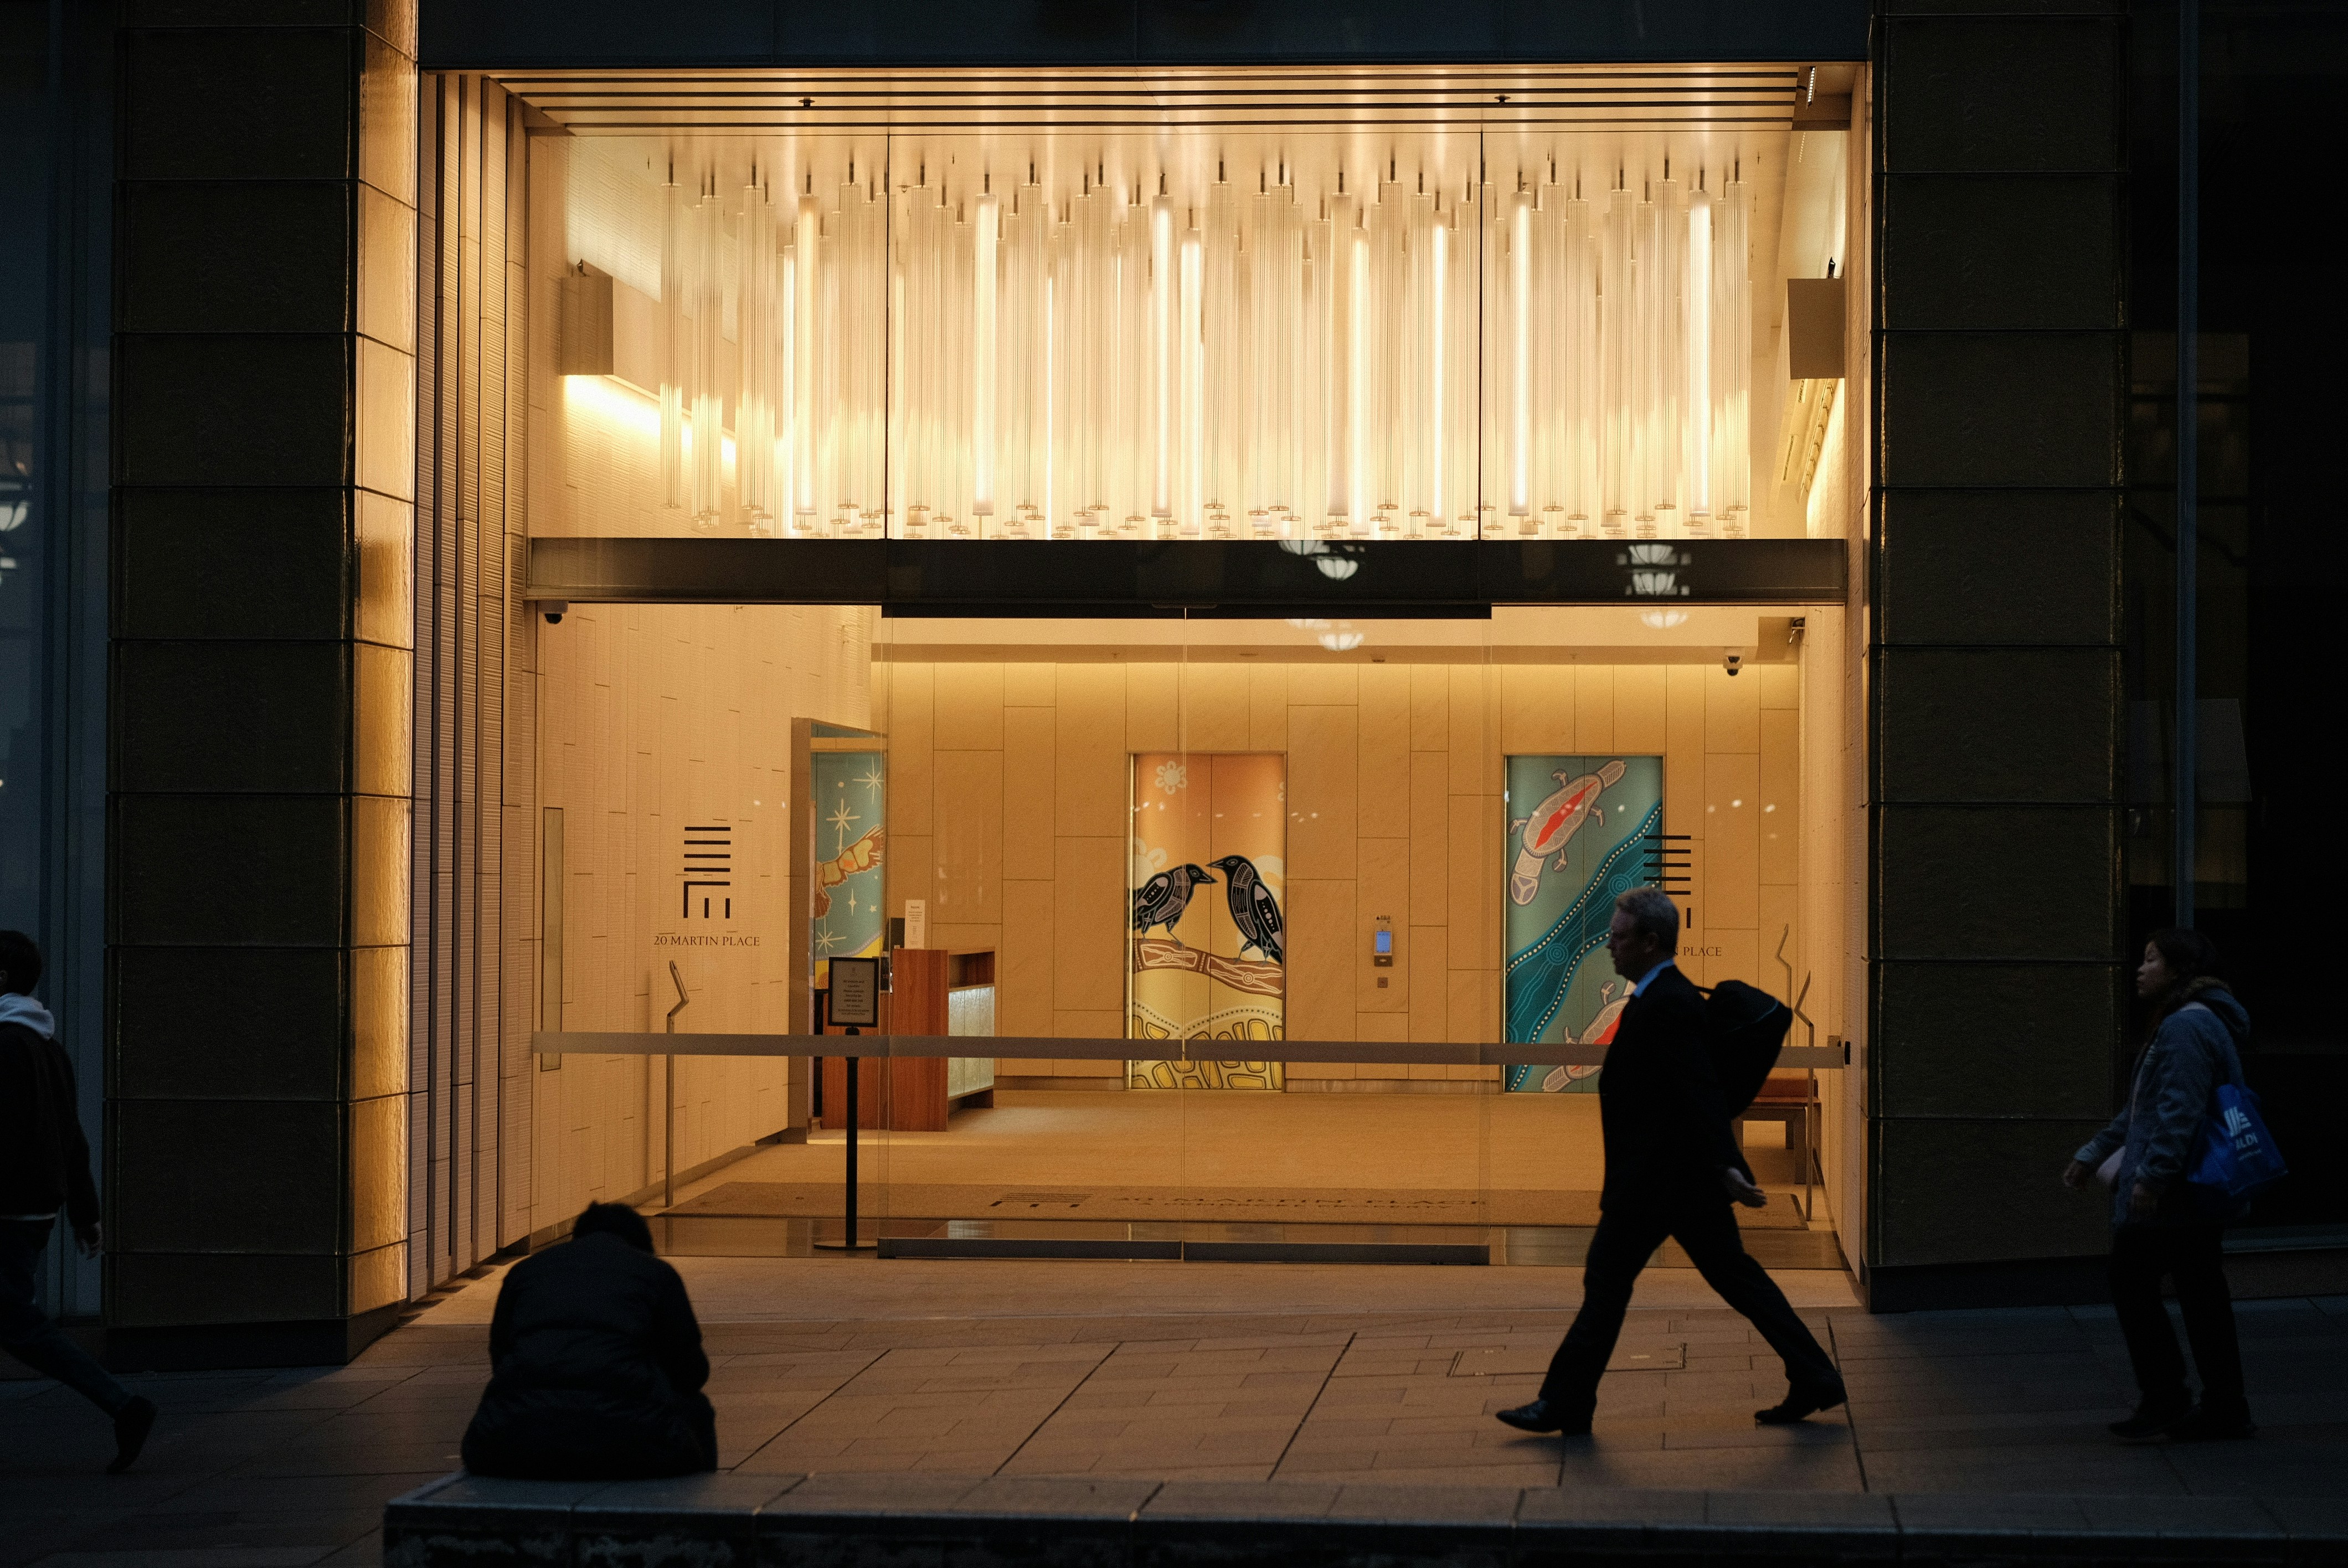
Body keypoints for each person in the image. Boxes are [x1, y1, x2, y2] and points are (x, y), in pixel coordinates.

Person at [1497, 889, 1845, 1436]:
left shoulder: (1671, 1003)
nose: (1609, 945)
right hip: (1677, 1179)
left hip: (1658, 1181)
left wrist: (1728, 1164)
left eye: (1618, 936)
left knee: (1610, 1282)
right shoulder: (1659, 996)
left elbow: (1697, 1087)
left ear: (1650, 942)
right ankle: (1815, 1375)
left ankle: (1564, 1402)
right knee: (1732, 1279)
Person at [2064, 928, 2254, 1442]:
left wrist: (2151, 1178)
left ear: (2177, 971)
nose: (2140, 970)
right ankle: (2218, 1405)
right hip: (2187, 1193)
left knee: (2136, 1283)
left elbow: (2179, 1111)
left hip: (2175, 1196)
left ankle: (2173, 1397)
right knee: (2200, 1294)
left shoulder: (2186, 1027)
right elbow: (2144, 1108)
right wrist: (2093, 1154)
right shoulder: (2188, 1022)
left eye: (2151, 961)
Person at [0, 930, 158, 1474]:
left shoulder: (6, 1045)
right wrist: (86, 1215)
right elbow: (73, 1138)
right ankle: (122, 1406)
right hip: (35, 1210)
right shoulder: (47, 1046)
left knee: (20, 1325)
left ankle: (123, 1404)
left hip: (8, 1212)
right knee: (16, 1320)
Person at [461, 1201, 718, 1478]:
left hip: (513, 1435)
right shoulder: (656, 1274)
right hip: (631, 1439)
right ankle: (701, 1510)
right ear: (641, 1242)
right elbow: (691, 1374)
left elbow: (501, 1356)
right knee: (697, 1409)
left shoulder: (525, 1272)